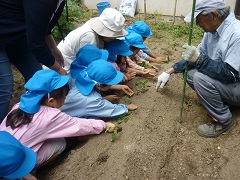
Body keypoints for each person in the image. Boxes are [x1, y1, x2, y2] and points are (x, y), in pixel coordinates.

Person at [156, 0, 240, 138]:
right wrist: (170, 70)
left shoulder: (236, 34)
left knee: (200, 78)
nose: (196, 24)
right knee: (189, 73)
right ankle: (221, 103)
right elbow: (195, 58)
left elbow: (230, 75)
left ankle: (223, 121)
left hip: (236, 84)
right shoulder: (212, 31)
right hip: (227, 83)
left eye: (198, 18)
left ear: (212, 15)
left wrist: (199, 59)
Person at [0, 70, 116, 167]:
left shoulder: (19, 106)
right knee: (60, 143)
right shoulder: (49, 116)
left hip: (4, 155)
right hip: (17, 164)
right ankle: (33, 167)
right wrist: (104, 125)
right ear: (51, 101)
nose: (65, 99)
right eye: (64, 97)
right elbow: (78, 125)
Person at [0, 0, 67, 123]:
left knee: (35, 76)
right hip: (6, 28)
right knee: (4, 87)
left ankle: (35, 124)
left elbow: (42, 25)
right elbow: (36, 44)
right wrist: (58, 69)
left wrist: (53, 48)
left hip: (14, 32)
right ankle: (3, 136)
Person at [57, 7, 128, 73]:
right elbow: (90, 64)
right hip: (66, 67)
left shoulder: (96, 32)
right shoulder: (89, 37)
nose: (113, 38)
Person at [61, 58, 137, 119]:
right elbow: (110, 110)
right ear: (98, 85)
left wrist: (119, 87)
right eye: (110, 84)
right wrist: (126, 107)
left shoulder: (82, 75)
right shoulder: (91, 100)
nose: (112, 84)